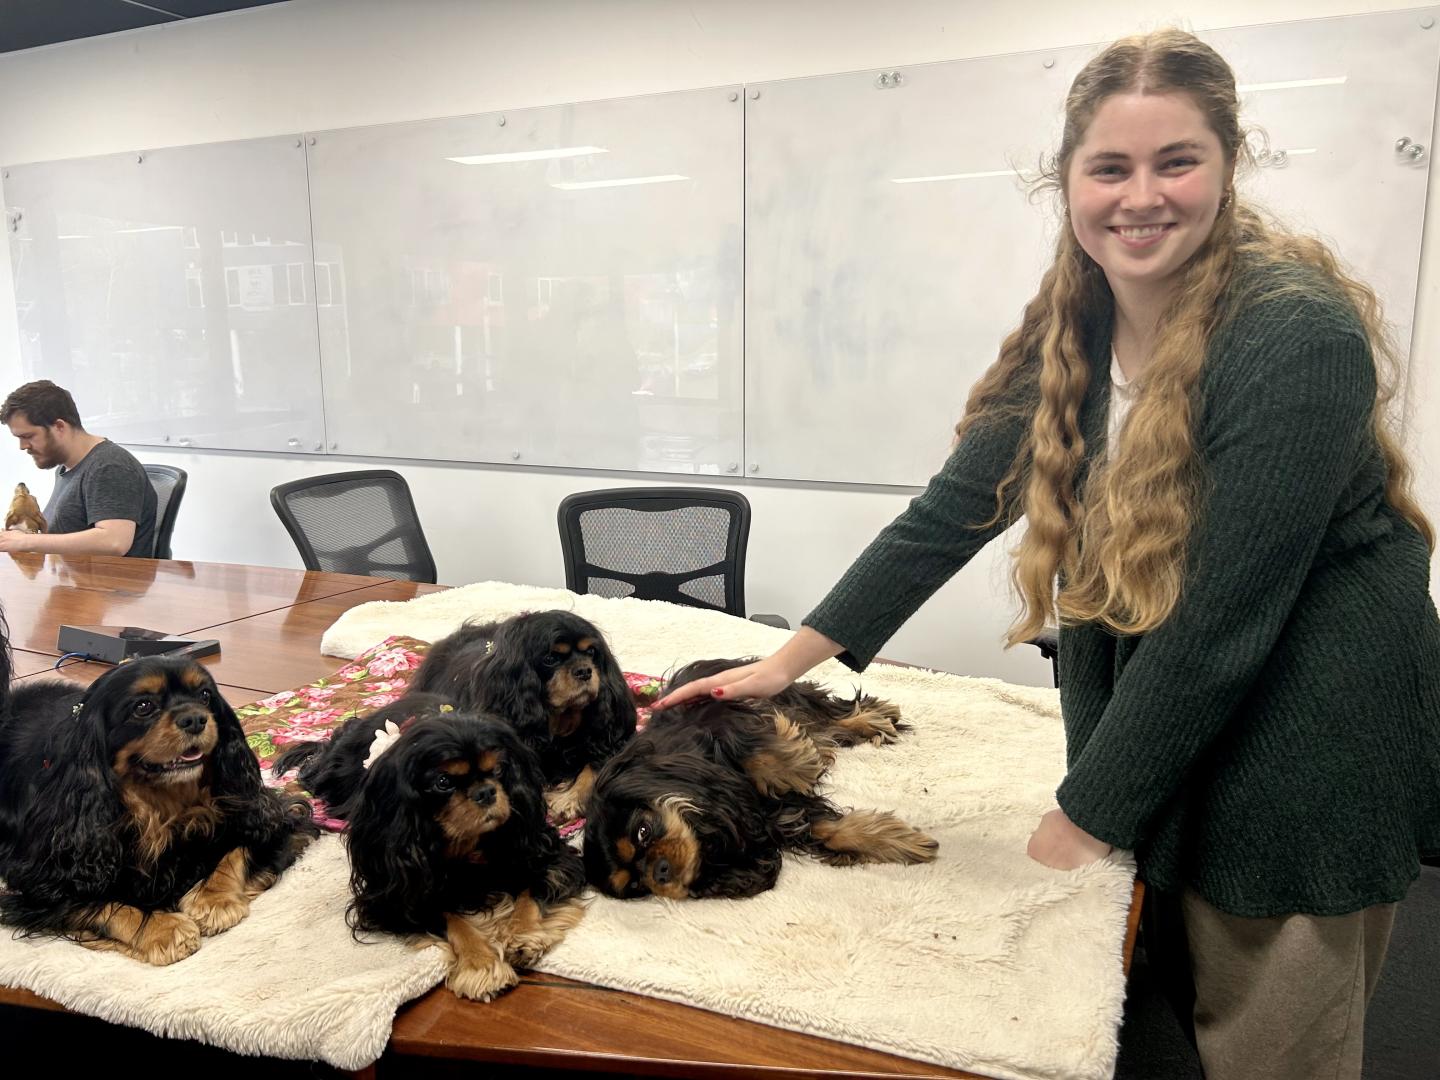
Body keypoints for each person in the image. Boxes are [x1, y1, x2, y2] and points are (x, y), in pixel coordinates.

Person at [655, 28, 1440, 1080]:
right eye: (1110, 167)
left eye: (1178, 161)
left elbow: (1222, 618)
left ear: (1229, 166)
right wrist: (780, 668)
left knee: (1270, 1031)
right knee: (1166, 993)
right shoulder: (1076, 327)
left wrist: (1089, 811)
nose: (1141, 196)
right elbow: (948, 515)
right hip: (1182, 698)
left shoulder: (1294, 337)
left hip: (1310, 734)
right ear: (1065, 180)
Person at [0, 380, 158, 558]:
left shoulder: (109, 466)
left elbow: (114, 541)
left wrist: (24, 542)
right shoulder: (66, 468)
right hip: (70, 581)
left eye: (28, 436)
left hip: (108, 584)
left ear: (59, 427)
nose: (22, 446)